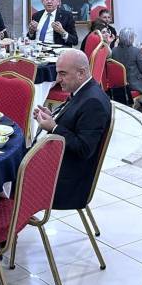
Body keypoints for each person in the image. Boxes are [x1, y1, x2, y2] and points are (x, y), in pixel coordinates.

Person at [32, 49, 112, 210]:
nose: (57, 79)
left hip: (66, 183)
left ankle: (12, 218)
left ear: (81, 73)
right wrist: (54, 117)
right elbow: (73, 123)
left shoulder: (93, 102)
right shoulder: (84, 91)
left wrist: (54, 127)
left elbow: (84, 148)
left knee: (4, 177)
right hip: (59, 165)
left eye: (62, 74)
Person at [110, 27, 142, 102]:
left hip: (118, 84)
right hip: (133, 85)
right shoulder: (137, 51)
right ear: (131, 38)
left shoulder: (113, 51)